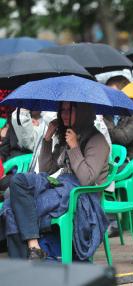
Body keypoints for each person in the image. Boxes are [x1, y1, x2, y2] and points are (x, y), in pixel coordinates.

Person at [0, 102, 111, 260]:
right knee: (18, 182)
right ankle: (34, 247)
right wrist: (47, 139)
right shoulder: (67, 134)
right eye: (62, 110)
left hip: (80, 196)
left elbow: (86, 179)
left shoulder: (97, 140)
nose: (64, 114)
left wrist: (74, 147)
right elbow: (47, 169)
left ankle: (27, 256)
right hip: (60, 187)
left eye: (70, 110)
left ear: (83, 112)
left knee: (12, 206)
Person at [103, 76, 133, 160]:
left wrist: (102, 120)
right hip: (115, 158)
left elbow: (124, 138)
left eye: (112, 93)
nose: (109, 97)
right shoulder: (108, 112)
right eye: (107, 93)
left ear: (124, 95)